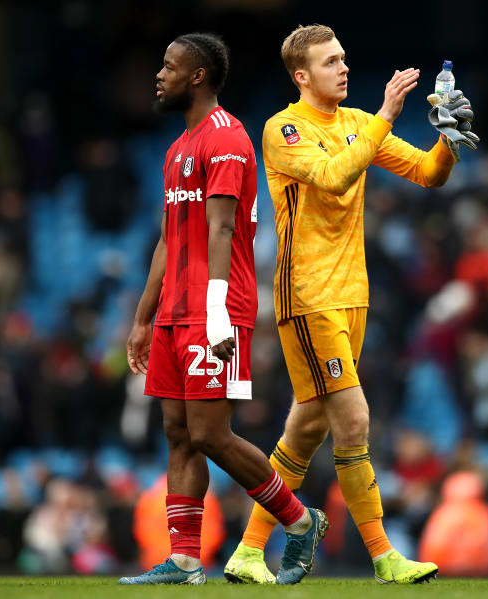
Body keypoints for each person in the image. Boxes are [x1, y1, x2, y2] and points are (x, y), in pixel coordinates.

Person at [224, 24, 476, 585]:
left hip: (352, 298)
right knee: (354, 421)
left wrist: (449, 140)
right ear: (301, 75)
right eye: (329, 61)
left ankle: (246, 552)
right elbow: (336, 178)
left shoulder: (358, 124)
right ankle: (385, 556)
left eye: (343, 58)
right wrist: (388, 112)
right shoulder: (283, 129)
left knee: (307, 427)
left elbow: (429, 174)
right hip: (307, 295)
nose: (343, 68)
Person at [120, 32, 328, 586]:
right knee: (177, 432)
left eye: (169, 66)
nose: (158, 76)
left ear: (197, 76)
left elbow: (221, 227)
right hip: (173, 309)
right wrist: (143, 317)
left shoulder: (228, 140)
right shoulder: (177, 148)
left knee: (211, 433)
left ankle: (301, 521)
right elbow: (169, 238)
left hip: (218, 308)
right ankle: (186, 561)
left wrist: (215, 317)